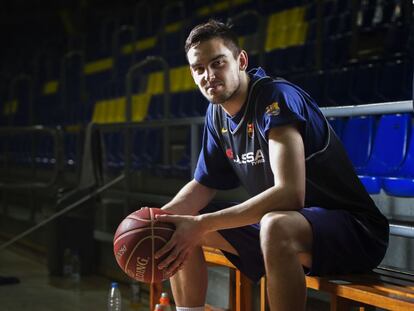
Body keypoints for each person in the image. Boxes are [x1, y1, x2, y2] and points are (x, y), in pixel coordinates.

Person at [153, 19, 389, 311]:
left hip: (354, 231)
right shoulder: (216, 115)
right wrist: (158, 220)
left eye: (218, 63)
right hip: (286, 227)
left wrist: (201, 224)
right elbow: (204, 184)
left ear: (240, 60)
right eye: (198, 69)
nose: (208, 75)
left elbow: (290, 194)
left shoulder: (274, 99)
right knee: (179, 228)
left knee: (272, 225)